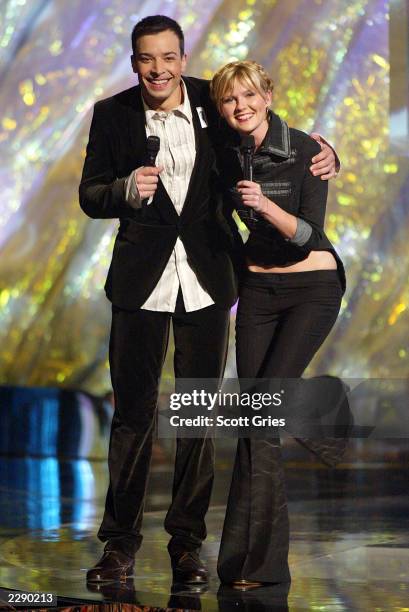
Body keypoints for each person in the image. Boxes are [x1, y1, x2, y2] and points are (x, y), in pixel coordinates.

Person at [79, 15, 338, 585]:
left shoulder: (212, 101)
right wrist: (123, 191)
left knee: (195, 411)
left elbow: (267, 129)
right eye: (147, 59)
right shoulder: (112, 114)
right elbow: (90, 193)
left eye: (169, 57)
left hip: (207, 275)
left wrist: (327, 153)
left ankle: (186, 545)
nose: (158, 68)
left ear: (182, 58)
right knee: (134, 415)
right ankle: (119, 544)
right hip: (139, 282)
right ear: (134, 62)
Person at [210, 60, 346, 586]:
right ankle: (248, 564)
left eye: (249, 95)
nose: (240, 106)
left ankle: (321, 403)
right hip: (258, 293)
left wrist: (265, 206)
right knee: (254, 424)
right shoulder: (225, 154)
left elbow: (310, 235)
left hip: (311, 288)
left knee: (263, 409)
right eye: (228, 99)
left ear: (267, 95)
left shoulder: (308, 151)